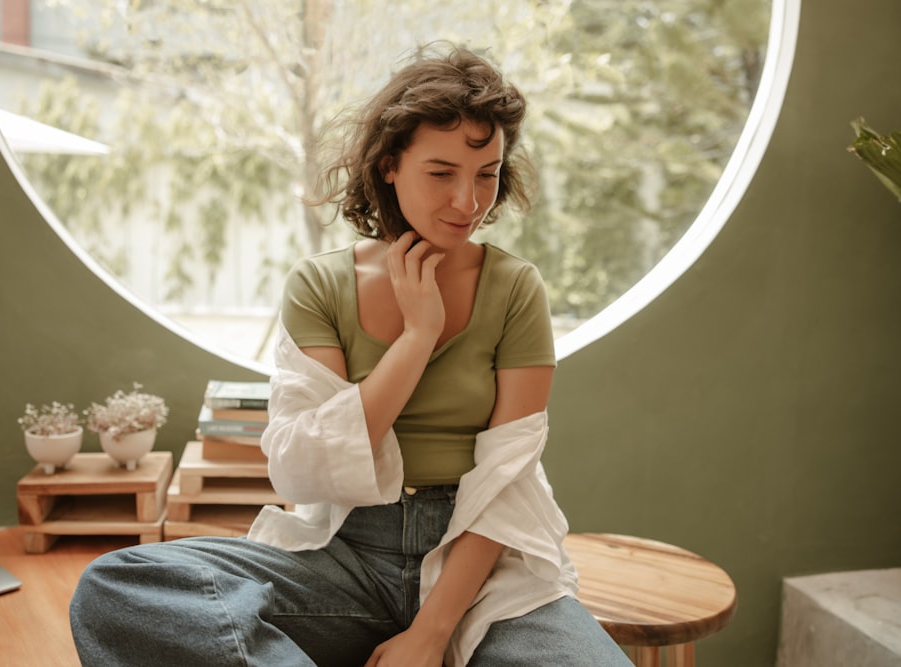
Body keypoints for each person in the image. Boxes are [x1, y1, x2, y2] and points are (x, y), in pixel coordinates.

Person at [70, 44, 630, 667]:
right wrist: (417, 339)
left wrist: (431, 632)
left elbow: (508, 479)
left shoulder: (516, 288)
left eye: (486, 174)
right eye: (442, 173)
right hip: (345, 557)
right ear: (390, 165)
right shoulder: (319, 285)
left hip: (479, 570)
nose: (468, 202)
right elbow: (303, 466)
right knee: (119, 587)